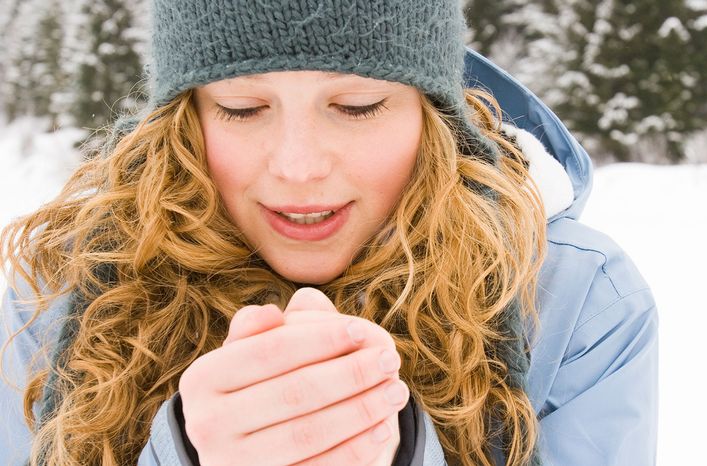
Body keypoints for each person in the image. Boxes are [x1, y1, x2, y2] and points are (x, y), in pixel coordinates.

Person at [0, 1, 659, 465]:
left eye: (356, 106)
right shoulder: (50, 304)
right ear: (184, 118)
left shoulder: (577, 303)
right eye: (242, 108)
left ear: (433, 116)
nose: (298, 167)